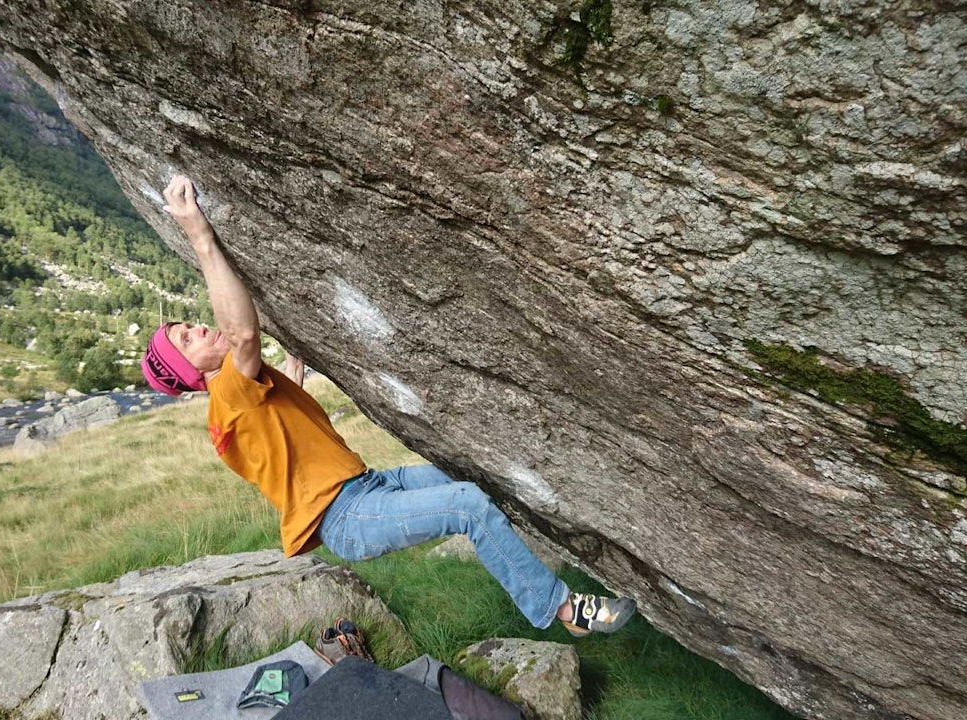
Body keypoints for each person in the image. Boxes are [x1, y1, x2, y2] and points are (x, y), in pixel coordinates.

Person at [141, 174, 635, 637]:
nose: (200, 328)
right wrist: (199, 235)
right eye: (188, 338)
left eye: (190, 324)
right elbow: (243, 333)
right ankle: (565, 609)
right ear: (188, 372)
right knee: (467, 505)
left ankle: (544, 563)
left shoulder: (237, 402)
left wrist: (293, 364)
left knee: (476, 480)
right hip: (348, 514)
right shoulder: (227, 393)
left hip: (368, 484)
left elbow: (278, 427)